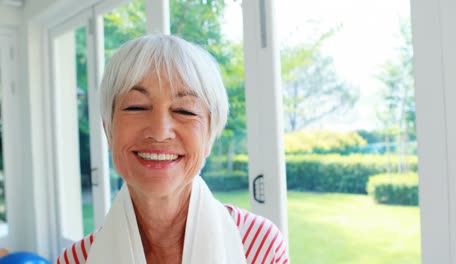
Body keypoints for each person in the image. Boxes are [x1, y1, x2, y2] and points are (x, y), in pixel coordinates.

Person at [56, 34, 289, 264]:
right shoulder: (76, 260)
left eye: (185, 111)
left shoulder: (260, 247)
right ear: (108, 129)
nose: (160, 132)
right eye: (136, 107)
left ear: (209, 136)